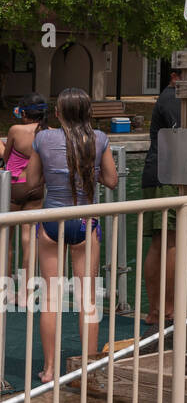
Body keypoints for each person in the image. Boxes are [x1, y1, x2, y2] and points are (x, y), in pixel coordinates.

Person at [23, 88, 118, 383]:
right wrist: (90, 171)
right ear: (87, 112)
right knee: (87, 299)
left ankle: (50, 370)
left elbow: (31, 181)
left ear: (58, 113)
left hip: (52, 221)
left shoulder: (43, 139)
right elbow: (112, 181)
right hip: (84, 222)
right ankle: (86, 370)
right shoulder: (99, 139)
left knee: (51, 299)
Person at [140, 66, 187, 326]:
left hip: (157, 173)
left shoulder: (170, 98)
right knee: (170, 243)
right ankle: (166, 310)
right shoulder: (173, 99)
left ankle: (157, 310)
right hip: (166, 177)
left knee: (161, 243)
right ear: (175, 75)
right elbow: (183, 139)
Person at [3, 95, 48, 306]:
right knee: (29, 240)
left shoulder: (16, 130)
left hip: (14, 186)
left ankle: (6, 290)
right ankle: (26, 294)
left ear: (23, 113)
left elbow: (6, 158)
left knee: (6, 238)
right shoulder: (48, 133)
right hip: (37, 187)